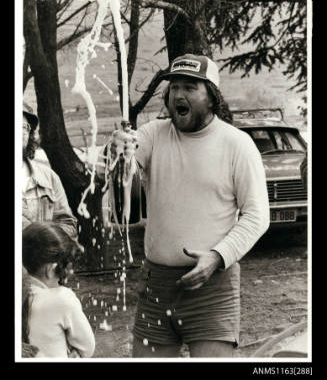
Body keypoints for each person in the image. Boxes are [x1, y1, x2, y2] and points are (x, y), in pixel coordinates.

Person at [107, 53, 270, 358]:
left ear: (212, 97)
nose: (178, 94)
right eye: (173, 87)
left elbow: (257, 215)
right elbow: (125, 169)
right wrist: (118, 150)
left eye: (190, 87)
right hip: (156, 284)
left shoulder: (237, 144)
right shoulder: (154, 134)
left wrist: (217, 257)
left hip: (213, 286)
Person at [22, 101, 79, 357]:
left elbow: (69, 225)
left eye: (23, 127)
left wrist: (41, 237)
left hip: (43, 287)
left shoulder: (48, 178)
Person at [22, 221, 95, 358]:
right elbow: (87, 348)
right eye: (64, 271)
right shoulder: (62, 298)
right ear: (51, 269)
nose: (63, 279)